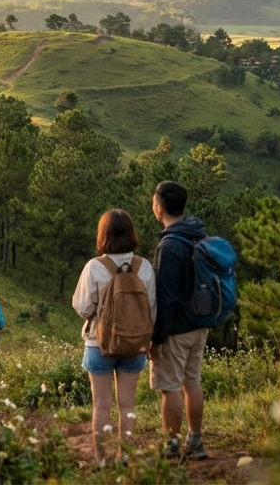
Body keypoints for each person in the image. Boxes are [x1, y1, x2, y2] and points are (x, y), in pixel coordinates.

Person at [72, 209, 157, 465]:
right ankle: (125, 456)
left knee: (101, 405)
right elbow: (151, 308)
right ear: (132, 233)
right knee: (127, 406)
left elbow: (83, 307)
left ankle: (101, 459)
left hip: (100, 344)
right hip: (134, 344)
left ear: (103, 234)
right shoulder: (144, 267)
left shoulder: (95, 267)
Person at [150, 181, 209, 461]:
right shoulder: (197, 234)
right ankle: (195, 441)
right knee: (192, 382)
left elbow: (167, 296)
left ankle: (171, 446)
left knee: (170, 387)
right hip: (200, 324)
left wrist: (158, 337)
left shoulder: (170, 244)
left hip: (177, 328)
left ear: (159, 208)